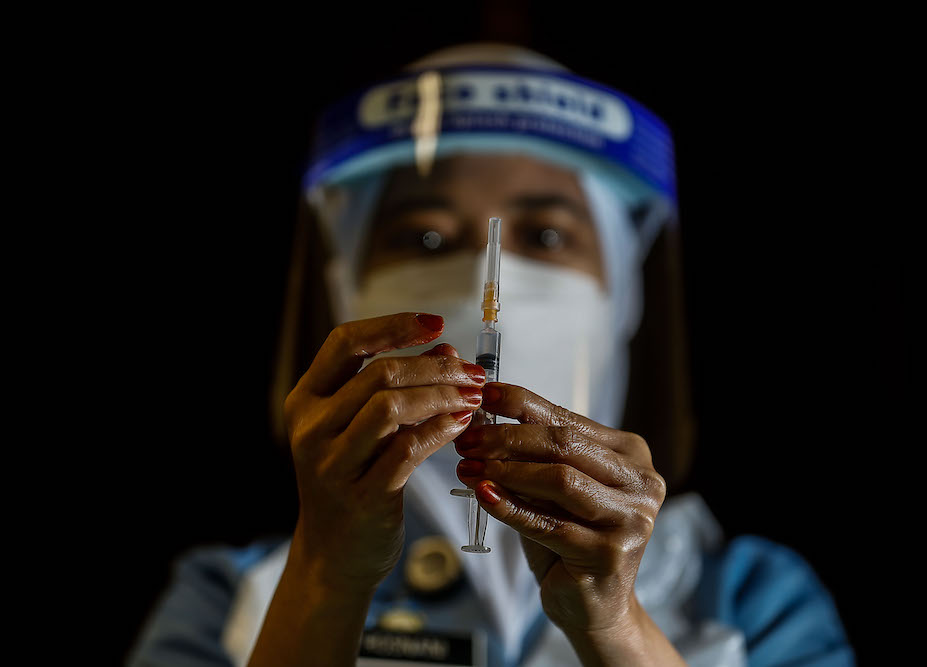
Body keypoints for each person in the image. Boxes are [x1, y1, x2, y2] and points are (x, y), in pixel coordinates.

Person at [128, 43, 855, 667]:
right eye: (426, 238)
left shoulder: (750, 597)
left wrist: (615, 624)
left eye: (546, 236)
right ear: (347, 284)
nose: (485, 278)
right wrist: (326, 576)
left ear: (623, 290)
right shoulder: (232, 595)